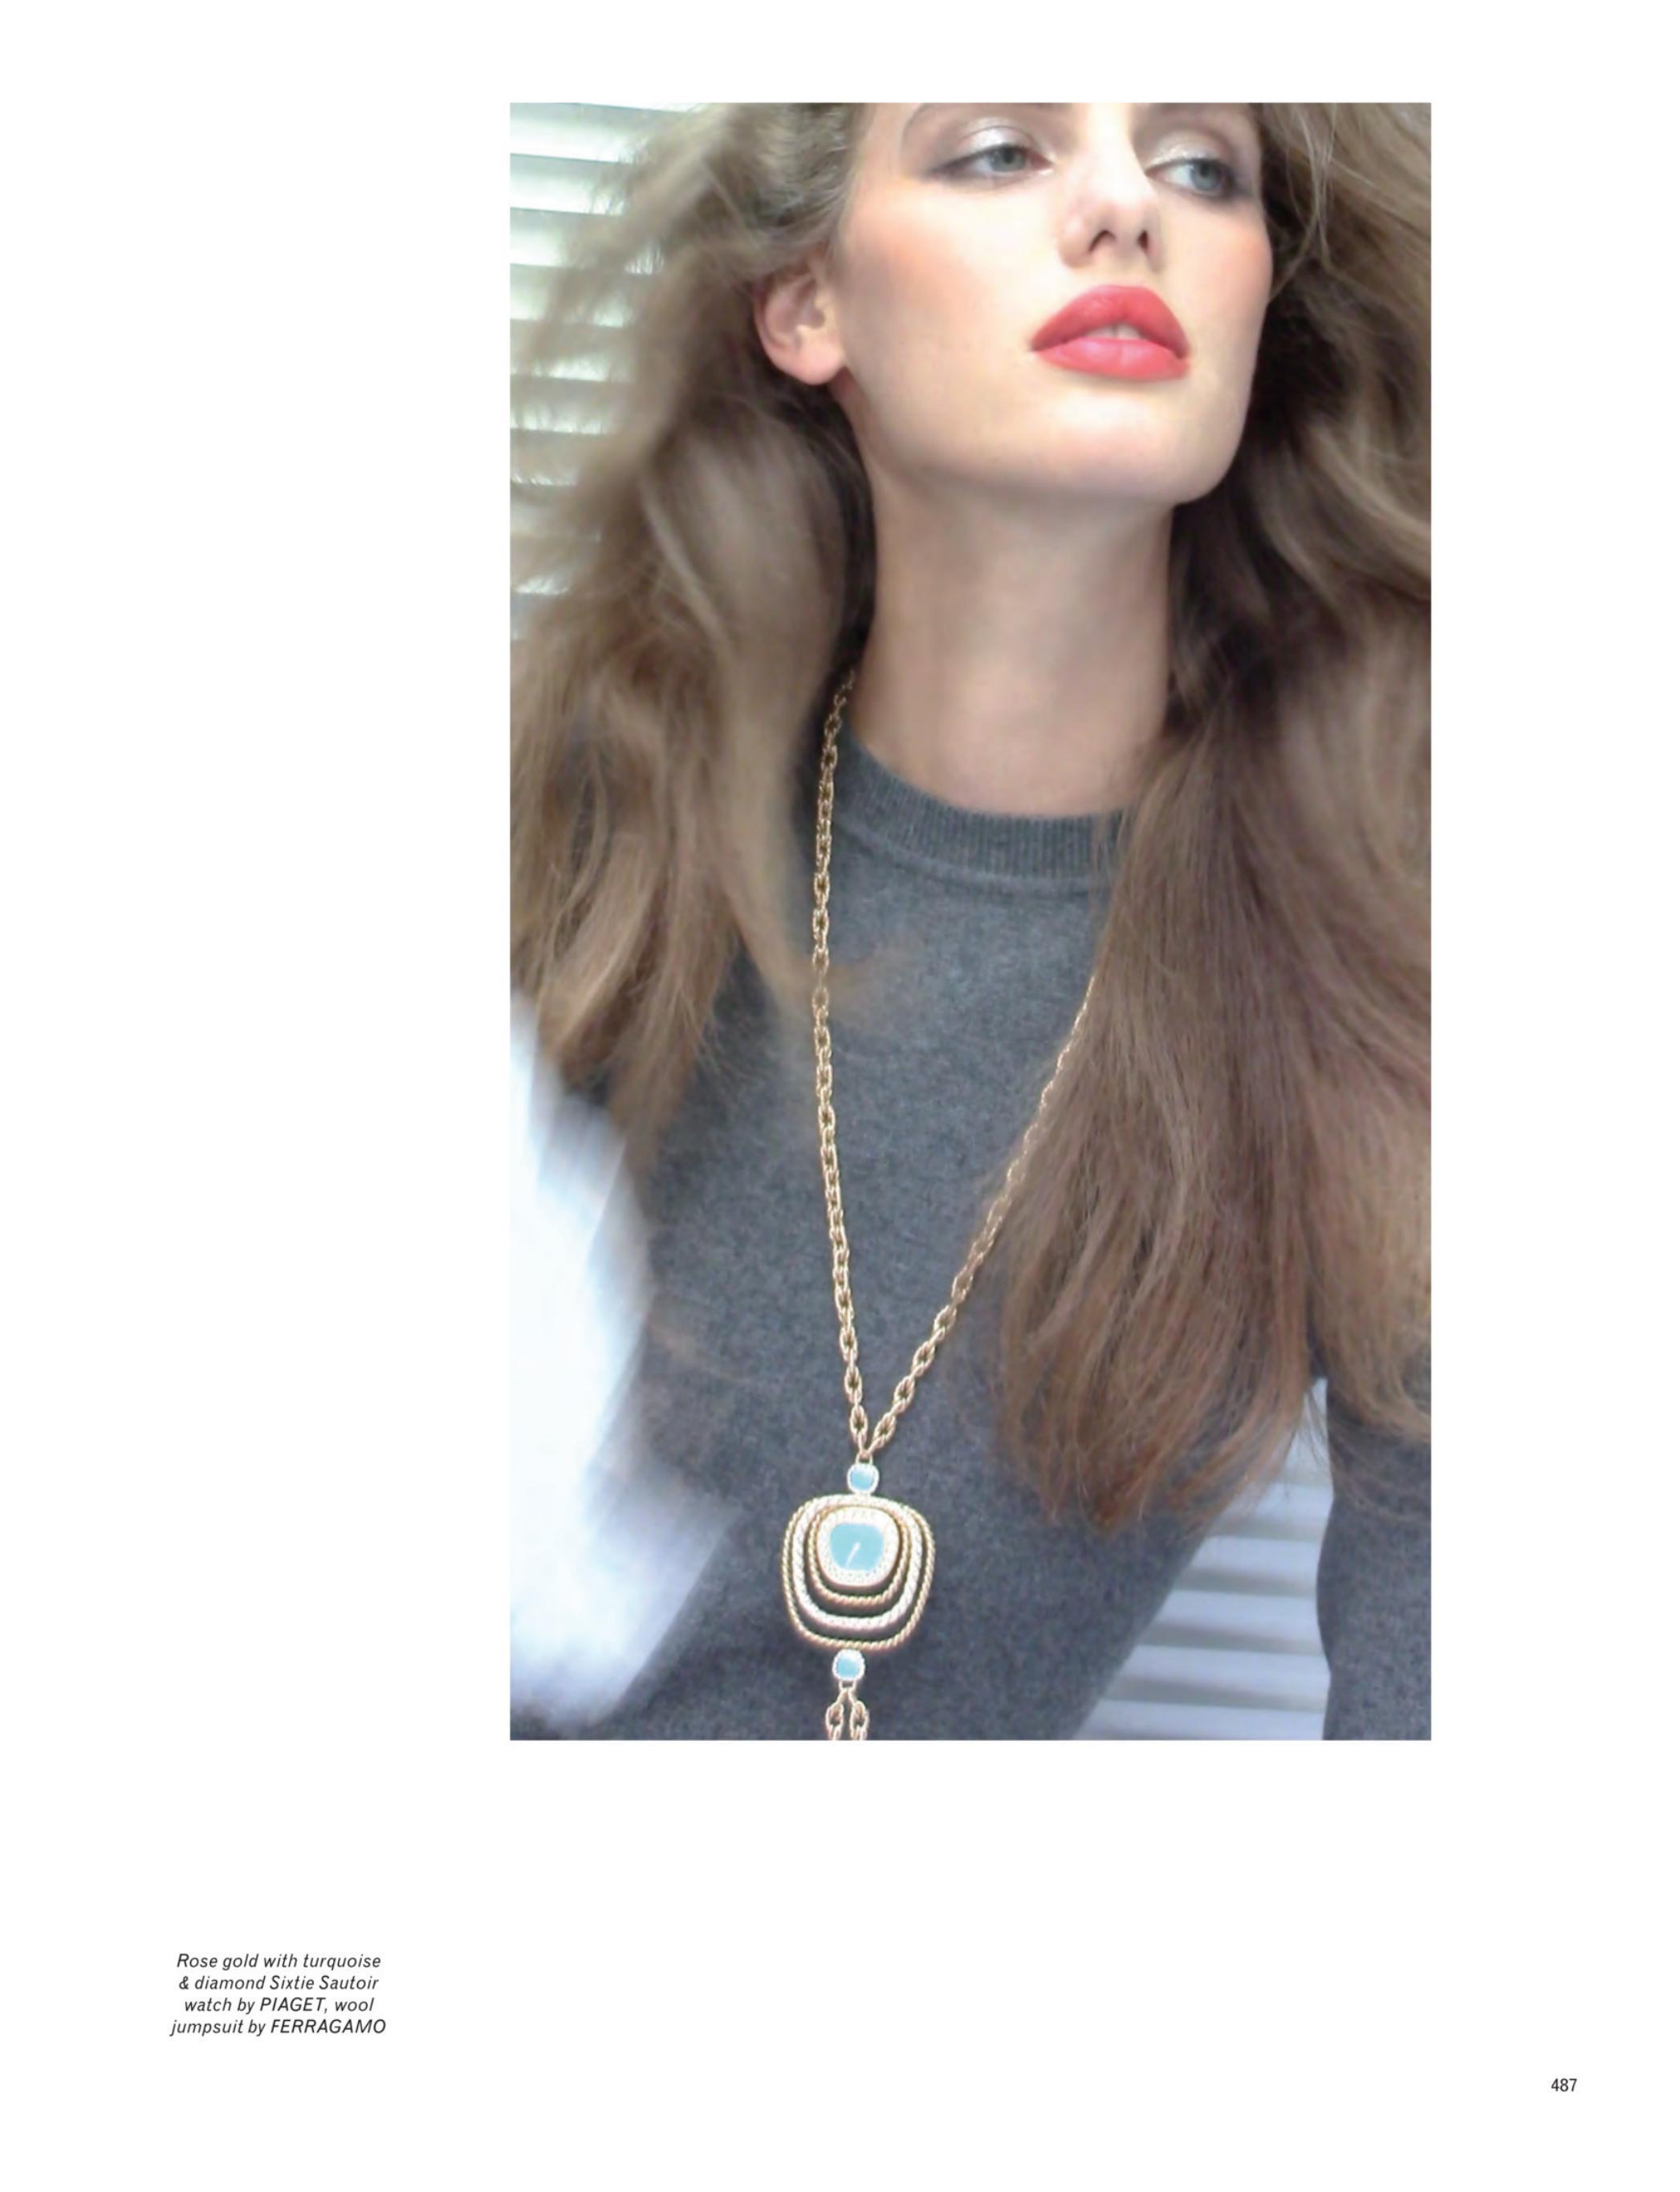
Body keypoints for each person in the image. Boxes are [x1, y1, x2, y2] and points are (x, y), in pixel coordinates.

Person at [511, 103, 1430, 1740]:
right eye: (1000, 150)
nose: (1123, 206)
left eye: (1201, 167)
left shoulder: (1381, 972)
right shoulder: (559, 836)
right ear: (807, 304)